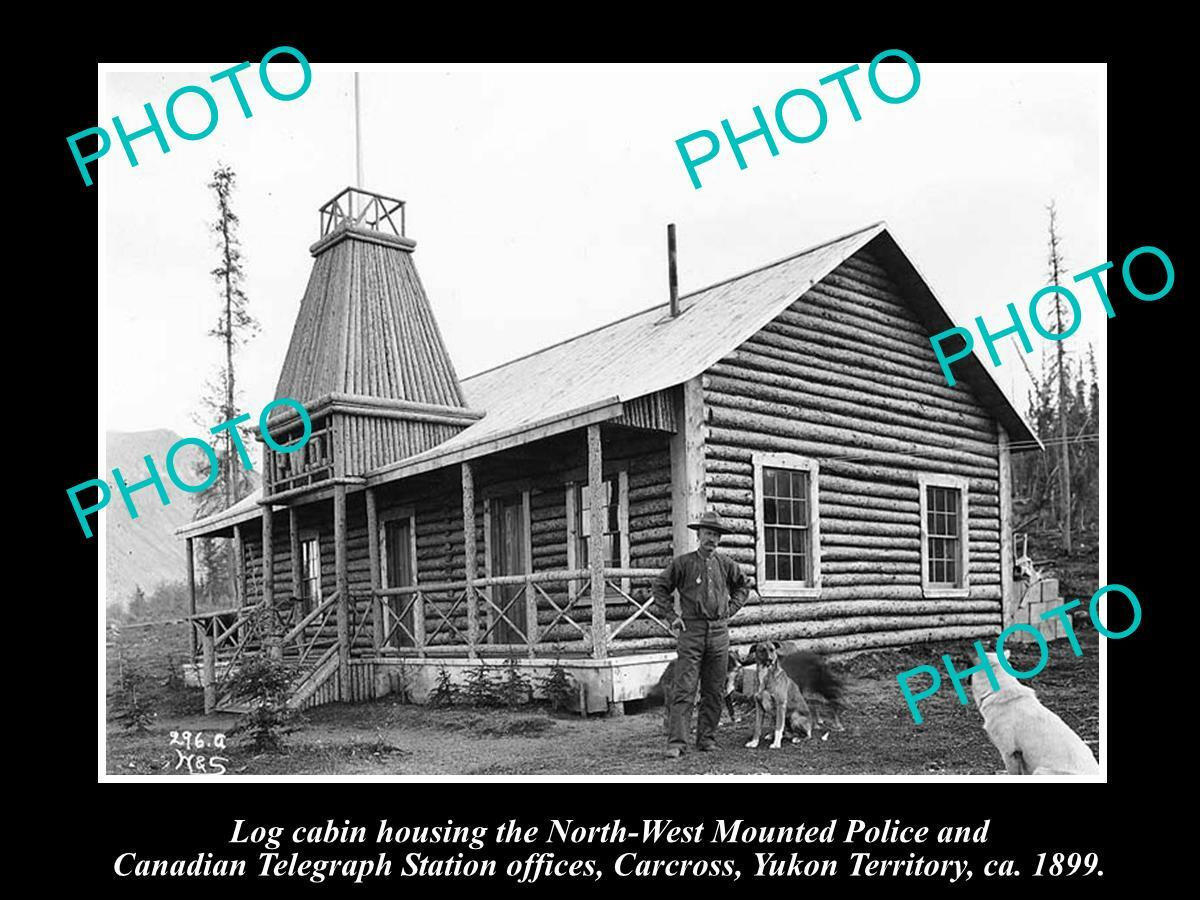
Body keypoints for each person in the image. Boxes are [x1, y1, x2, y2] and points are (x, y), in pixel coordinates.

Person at [651, 511, 750, 758]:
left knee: (714, 689)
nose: (712, 539)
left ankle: (706, 738)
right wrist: (673, 617)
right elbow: (660, 588)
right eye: (707, 533)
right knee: (684, 688)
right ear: (698, 535)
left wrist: (730, 609)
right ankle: (677, 743)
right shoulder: (683, 563)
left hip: (718, 633)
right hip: (691, 632)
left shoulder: (726, 564)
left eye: (715, 535)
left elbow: (743, 586)